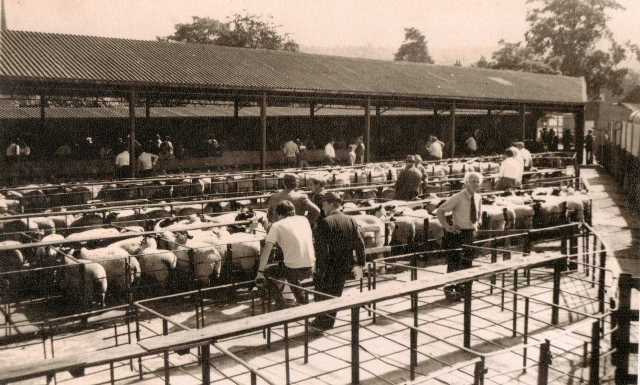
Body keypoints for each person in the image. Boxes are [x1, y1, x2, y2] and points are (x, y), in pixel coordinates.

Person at [310, 192, 366, 330]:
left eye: (323, 204)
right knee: (335, 294)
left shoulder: (324, 222)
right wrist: (360, 263)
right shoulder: (351, 220)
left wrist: (319, 270)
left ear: (329, 204)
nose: (322, 207)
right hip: (344, 265)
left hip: (329, 266)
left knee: (323, 295)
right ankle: (326, 322)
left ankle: (322, 323)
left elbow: (322, 251)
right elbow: (359, 243)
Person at [255, 200, 315, 310]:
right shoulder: (304, 219)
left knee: (267, 272)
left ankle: (280, 304)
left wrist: (260, 272)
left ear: (279, 214)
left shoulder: (277, 225)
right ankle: (301, 300)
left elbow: (267, 250)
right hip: (311, 266)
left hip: (294, 270)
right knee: (288, 266)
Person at [436, 172, 483, 300]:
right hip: (458, 233)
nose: (475, 184)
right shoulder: (458, 197)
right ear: (466, 182)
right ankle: (450, 291)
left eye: (478, 181)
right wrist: (448, 227)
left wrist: (477, 224)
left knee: (468, 263)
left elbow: (479, 215)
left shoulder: (478, 197)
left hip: (470, 233)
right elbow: (440, 211)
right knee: (454, 263)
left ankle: (464, 291)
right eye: (473, 181)